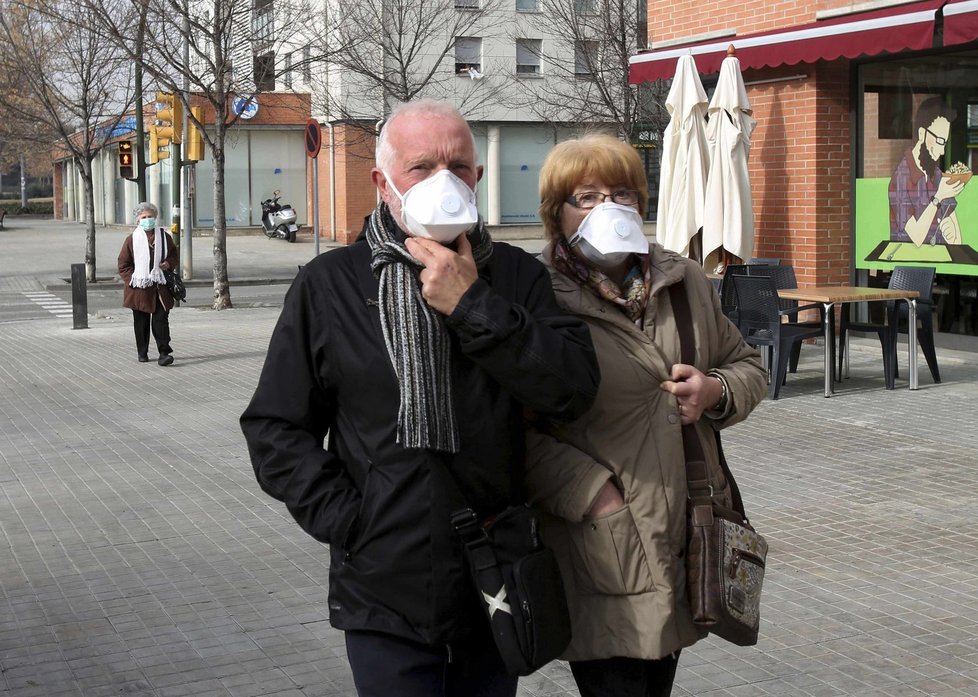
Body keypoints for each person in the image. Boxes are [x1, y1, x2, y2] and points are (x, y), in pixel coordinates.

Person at [239, 99, 599, 697]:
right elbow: (275, 427)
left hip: (494, 574)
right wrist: (351, 521)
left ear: (478, 180)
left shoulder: (515, 278)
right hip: (384, 580)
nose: (443, 182)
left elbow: (570, 391)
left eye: (458, 167)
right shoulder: (331, 285)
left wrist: (473, 305)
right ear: (384, 184)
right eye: (421, 167)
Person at [525, 133, 767, 697]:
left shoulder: (684, 284)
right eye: (585, 197)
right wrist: (593, 492)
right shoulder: (536, 297)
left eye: (622, 194)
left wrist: (716, 390)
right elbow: (514, 429)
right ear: (555, 214)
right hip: (598, 541)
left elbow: (747, 364)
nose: (607, 208)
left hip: (684, 534)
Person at [889, 97, 964, 247]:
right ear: (922, 134)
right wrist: (938, 198)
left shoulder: (936, 175)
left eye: (945, 142)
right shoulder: (900, 179)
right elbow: (916, 238)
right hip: (910, 266)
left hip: (941, 265)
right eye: (939, 141)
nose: (942, 151)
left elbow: (957, 240)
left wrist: (952, 235)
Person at [117, 202, 178, 365]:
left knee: (161, 320)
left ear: (156, 217)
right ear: (138, 220)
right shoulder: (131, 240)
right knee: (141, 323)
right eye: (144, 217)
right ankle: (142, 353)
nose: (148, 220)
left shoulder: (164, 237)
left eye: (150, 216)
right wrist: (133, 280)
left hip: (160, 287)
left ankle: (164, 353)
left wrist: (168, 264)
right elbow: (123, 265)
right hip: (139, 290)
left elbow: (174, 255)